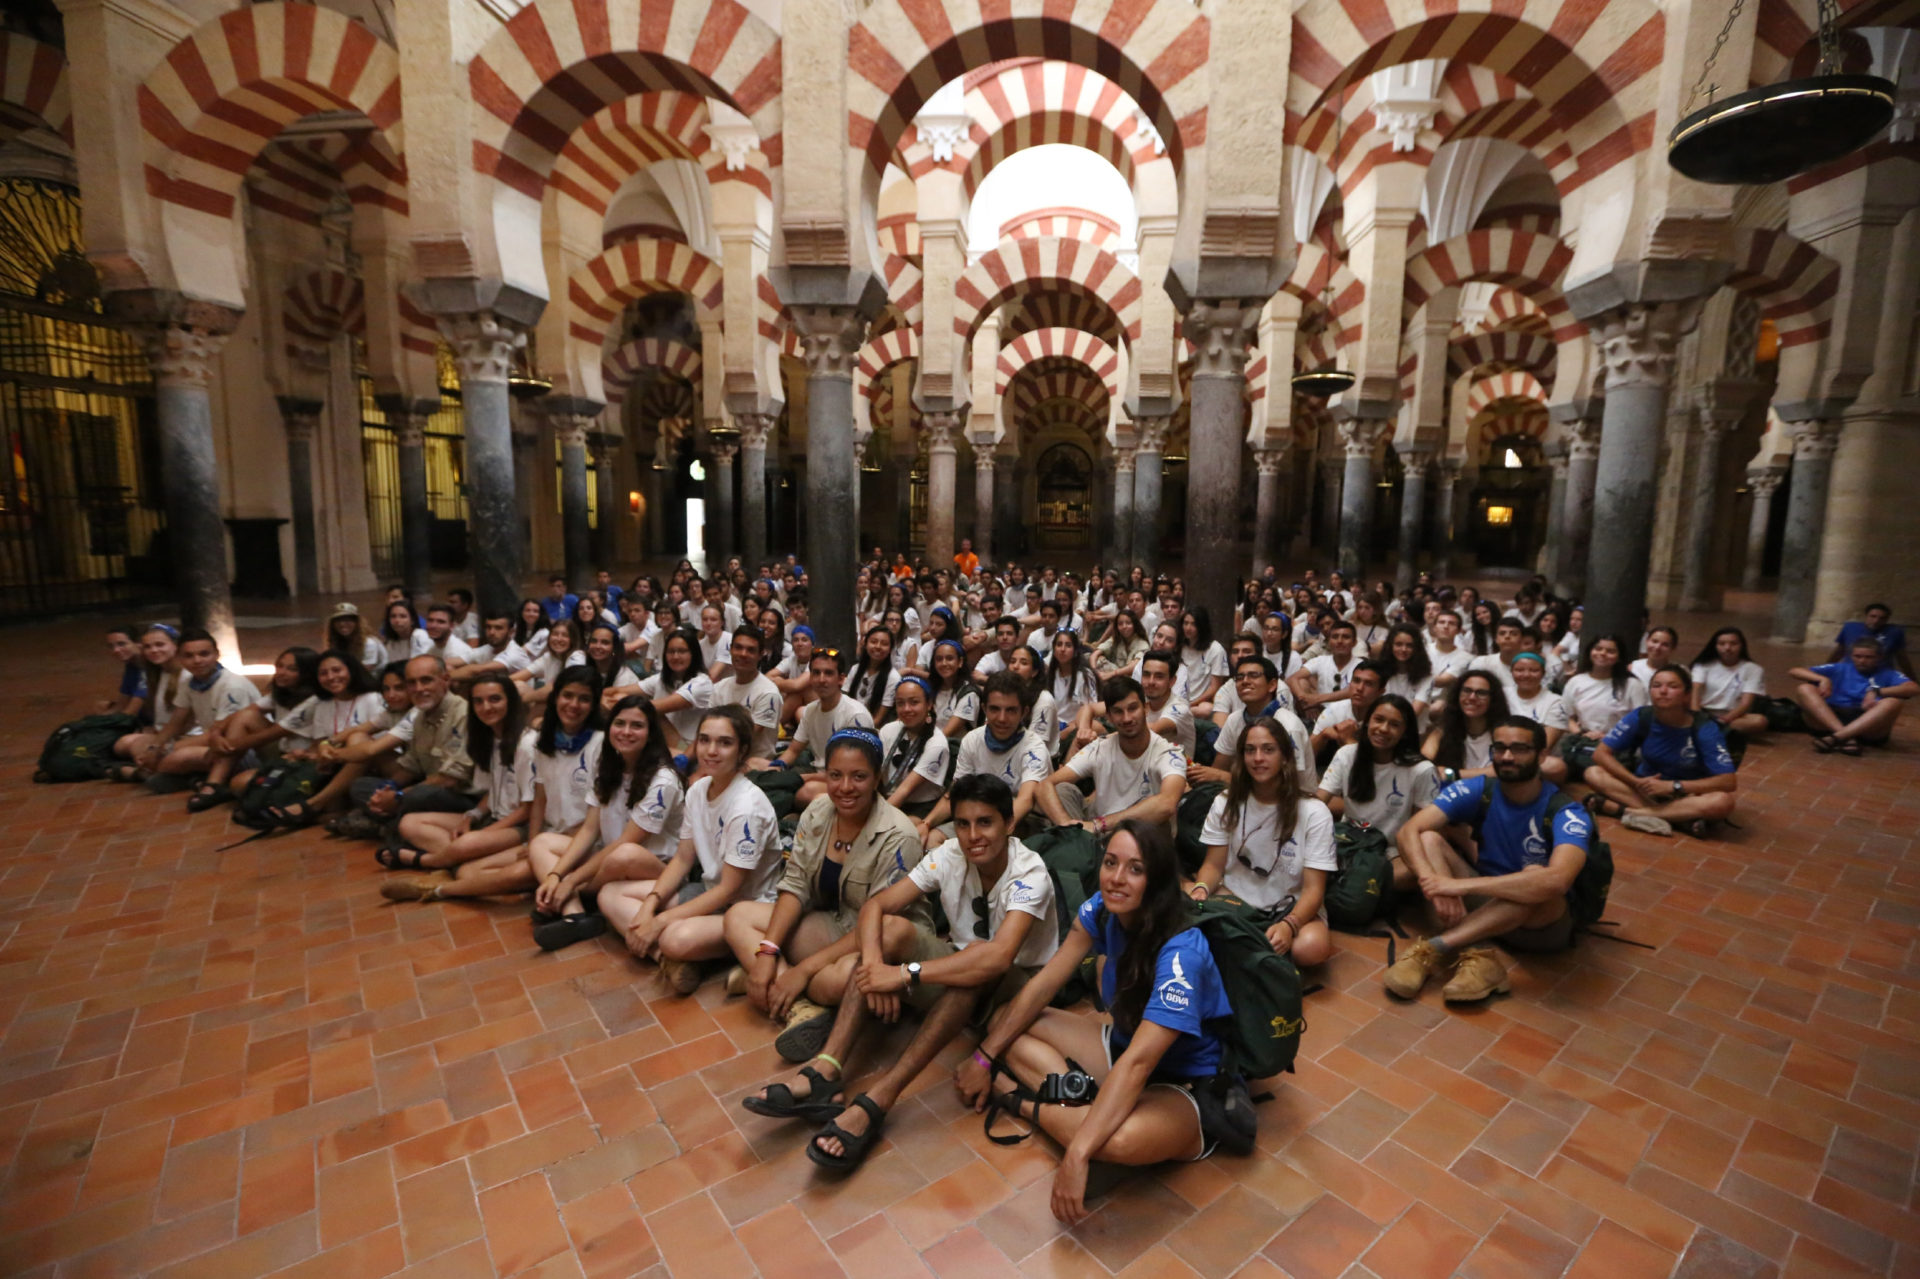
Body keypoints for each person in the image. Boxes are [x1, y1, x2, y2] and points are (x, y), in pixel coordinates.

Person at [744, 774, 1060, 1170]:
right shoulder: (950, 856)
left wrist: (902, 975)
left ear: (1009, 824)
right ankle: (827, 1069)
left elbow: (997, 958)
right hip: (960, 968)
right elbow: (877, 906)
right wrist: (875, 967)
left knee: (974, 963)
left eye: (986, 822)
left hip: (1013, 989)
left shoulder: (1030, 871)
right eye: (962, 823)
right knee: (893, 930)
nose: (973, 835)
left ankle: (880, 1098)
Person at [961, 821, 1251, 1225]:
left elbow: (1140, 1065)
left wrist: (1076, 1157)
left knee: (1119, 1140)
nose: (1117, 878)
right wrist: (982, 1057)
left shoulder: (1182, 952)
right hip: (1122, 1046)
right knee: (1006, 1025)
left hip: (1186, 1083)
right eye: (1111, 862)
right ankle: (1086, 1111)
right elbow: (1045, 984)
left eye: (1135, 869)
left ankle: (1023, 1100)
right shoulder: (1104, 908)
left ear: (1158, 880)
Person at [724, 727, 942, 1063]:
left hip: (878, 943)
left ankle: (780, 982)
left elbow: (880, 922)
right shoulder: (818, 810)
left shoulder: (899, 835)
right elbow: (794, 883)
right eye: (835, 775)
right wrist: (767, 952)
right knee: (738, 917)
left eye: (858, 776)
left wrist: (805, 969)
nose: (844, 787)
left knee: (840, 981)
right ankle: (798, 1004)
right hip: (833, 922)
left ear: (877, 778)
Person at [1384, 717, 1594, 1003]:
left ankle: (1435, 947)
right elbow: (1410, 830)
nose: (1507, 757)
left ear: (1542, 756)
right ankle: (1480, 955)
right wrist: (1430, 881)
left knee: (1535, 875)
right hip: (1486, 902)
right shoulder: (1479, 789)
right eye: (1500, 748)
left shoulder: (1567, 812)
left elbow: (1557, 880)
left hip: (1539, 922)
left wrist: (1458, 887)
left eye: (1519, 749)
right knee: (1429, 838)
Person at [599, 706, 776, 991]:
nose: (711, 750)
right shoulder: (698, 789)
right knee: (609, 894)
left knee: (673, 937)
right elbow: (682, 859)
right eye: (705, 740)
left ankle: (722, 951)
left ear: (743, 751)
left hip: (744, 908)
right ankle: (671, 959)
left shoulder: (746, 808)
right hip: (708, 893)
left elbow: (729, 889)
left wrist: (660, 921)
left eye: (725, 743)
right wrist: (650, 906)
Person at [1194, 719, 1336, 962]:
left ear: (1284, 757)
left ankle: (1263, 945)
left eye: (1268, 749)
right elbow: (1213, 866)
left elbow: (1314, 890)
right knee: (1187, 898)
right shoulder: (1225, 802)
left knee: (1311, 949)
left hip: (1289, 907)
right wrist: (1201, 888)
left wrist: (1290, 925)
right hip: (1235, 899)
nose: (1258, 758)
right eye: (1250, 750)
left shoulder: (1314, 812)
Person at [379, 673, 533, 876]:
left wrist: (485, 835)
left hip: (518, 826)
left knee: (467, 842)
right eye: (479, 701)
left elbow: (527, 809)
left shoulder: (527, 744)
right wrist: (472, 816)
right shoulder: (487, 739)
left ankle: (426, 861)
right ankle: (459, 861)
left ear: (510, 702)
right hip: (492, 817)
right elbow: (493, 791)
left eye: (495, 699)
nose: (486, 707)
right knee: (409, 823)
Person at [329, 655, 475, 840]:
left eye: (426, 680)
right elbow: (411, 765)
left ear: (445, 680)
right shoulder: (420, 716)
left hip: (458, 795)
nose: (419, 689)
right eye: (411, 683)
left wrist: (398, 795)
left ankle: (387, 825)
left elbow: (449, 779)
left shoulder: (463, 714)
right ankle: (391, 825)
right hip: (428, 789)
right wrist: (387, 789)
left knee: (420, 795)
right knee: (361, 786)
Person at [1584, 666, 1739, 838]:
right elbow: (1600, 754)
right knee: (1593, 773)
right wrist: (1636, 781)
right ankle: (1680, 819)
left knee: (1722, 802)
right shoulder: (1641, 716)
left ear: (1687, 695)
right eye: (1657, 686)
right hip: (1644, 790)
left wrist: (1673, 786)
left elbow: (1728, 781)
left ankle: (1625, 811)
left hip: (1686, 794)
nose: (1663, 691)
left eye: (1672, 686)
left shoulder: (1704, 727)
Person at [1317, 694, 1439, 889]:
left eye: (1394, 724)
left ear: (1405, 732)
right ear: (1367, 723)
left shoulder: (1421, 770)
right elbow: (1319, 801)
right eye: (1378, 720)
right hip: (1347, 844)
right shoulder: (1347, 755)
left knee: (1411, 872)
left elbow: (1422, 829)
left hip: (1392, 854)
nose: (1383, 729)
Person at [131, 627, 260, 810]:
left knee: (174, 758)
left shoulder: (232, 686)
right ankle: (194, 779)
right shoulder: (189, 682)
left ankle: (205, 781)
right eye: (189, 656)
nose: (197, 661)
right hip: (212, 743)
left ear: (216, 654)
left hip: (239, 750)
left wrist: (167, 749)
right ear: (180, 658)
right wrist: (154, 747)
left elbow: (222, 733)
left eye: (204, 654)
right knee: (142, 746)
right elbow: (176, 722)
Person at [916, 672, 1052, 844]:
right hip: (978, 815)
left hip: (1022, 821)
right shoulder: (972, 740)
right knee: (933, 839)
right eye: (995, 709)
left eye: (1010, 710)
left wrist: (992, 832)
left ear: (1024, 712)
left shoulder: (1034, 747)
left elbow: (1026, 799)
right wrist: (926, 823)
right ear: (984, 708)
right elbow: (956, 793)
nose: (1002, 718)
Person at [1038, 676, 1186, 833]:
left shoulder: (1169, 753)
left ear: (1146, 709)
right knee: (1063, 789)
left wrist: (1099, 824)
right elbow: (1044, 785)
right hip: (1097, 836)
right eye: (1118, 712)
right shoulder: (1099, 748)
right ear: (1108, 716)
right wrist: (1067, 825)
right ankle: (1073, 841)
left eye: (1132, 708)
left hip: (1140, 841)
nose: (1127, 718)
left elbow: (1167, 804)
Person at [1188, 656, 1314, 790]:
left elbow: (1288, 784)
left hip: (1293, 800)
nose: (1245, 681)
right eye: (1240, 677)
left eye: (1254, 675)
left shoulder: (1288, 725)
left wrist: (1223, 777)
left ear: (1272, 685)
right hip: (1247, 794)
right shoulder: (1234, 719)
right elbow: (1219, 767)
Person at [1789, 636, 1915, 755]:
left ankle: (1838, 737)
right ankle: (1844, 736)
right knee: (1805, 688)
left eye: (1868, 657)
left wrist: (1878, 691)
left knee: (1894, 702)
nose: (1862, 661)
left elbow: (1913, 688)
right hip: (1830, 719)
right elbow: (1795, 671)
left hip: (1867, 723)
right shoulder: (1840, 668)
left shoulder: (1889, 674)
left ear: (1879, 657)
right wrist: (1822, 679)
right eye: (1857, 656)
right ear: (1851, 656)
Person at [876, 675, 950, 819]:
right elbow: (875, 774)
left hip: (919, 808)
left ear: (929, 704)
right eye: (900, 703)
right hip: (887, 797)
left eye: (914, 702)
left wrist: (875, 818)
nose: (906, 709)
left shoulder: (937, 743)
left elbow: (905, 789)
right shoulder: (888, 730)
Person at [1422, 670, 1511, 783]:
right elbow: (1424, 764)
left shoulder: (1506, 732)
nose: (1472, 697)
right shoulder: (1443, 730)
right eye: (1467, 691)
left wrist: (1454, 774)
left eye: (1481, 693)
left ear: (1493, 699)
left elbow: (1500, 770)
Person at [1560, 634, 1648, 742]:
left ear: (1619, 657)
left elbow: (1640, 721)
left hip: (1619, 743)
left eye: (1610, 651)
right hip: (1583, 740)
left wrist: (1610, 737)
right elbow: (1567, 717)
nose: (1602, 653)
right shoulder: (1576, 681)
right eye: (1598, 649)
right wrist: (1581, 734)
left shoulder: (1632, 685)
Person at [639, 628, 714, 752]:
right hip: (663, 744)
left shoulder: (702, 683)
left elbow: (651, 708)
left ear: (693, 654)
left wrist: (621, 704)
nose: (675, 656)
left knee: (651, 712)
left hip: (687, 749)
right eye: (671, 651)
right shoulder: (662, 678)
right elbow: (615, 692)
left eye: (682, 651)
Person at [1689, 627, 1768, 738]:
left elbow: (1746, 703)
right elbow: (1695, 692)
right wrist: (1697, 716)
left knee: (1760, 721)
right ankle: (1715, 730)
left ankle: (1711, 729)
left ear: (1741, 646)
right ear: (1715, 646)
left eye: (1733, 644)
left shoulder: (1753, 669)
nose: (1727, 648)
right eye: (1722, 644)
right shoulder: (1703, 665)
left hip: (1733, 716)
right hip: (1704, 711)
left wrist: (1725, 719)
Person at [1289, 620, 1360, 717]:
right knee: (1302, 682)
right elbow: (1292, 679)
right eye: (1335, 637)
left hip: (1350, 715)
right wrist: (1304, 697)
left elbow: (1354, 690)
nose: (1339, 641)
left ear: (1354, 642)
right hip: (1322, 714)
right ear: (1329, 641)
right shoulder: (1321, 660)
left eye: (1346, 637)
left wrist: (1318, 699)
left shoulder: (1361, 665)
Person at [1829, 602, 1911, 678]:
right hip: (1852, 672)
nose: (1876, 621)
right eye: (1873, 616)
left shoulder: (1894, 632)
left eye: (1882, 618)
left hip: (1881, 673)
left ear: (1887, 619)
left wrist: (1912, 678)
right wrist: (1828, 668)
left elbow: (1902, 657)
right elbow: (1839, 651)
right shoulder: (1850, 628)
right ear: (1866, 616)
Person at [1175, 608, 1230, 717]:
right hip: (1177, 698)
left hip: (1198, 702)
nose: (1188, 628)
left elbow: (1215, 687)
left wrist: (1191, 704)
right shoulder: (1179, 645)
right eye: (1185, 623)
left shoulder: (1215, 649)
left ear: (1202, 626)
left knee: (1206, 709)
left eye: (1193, 624)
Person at [844, 625, 901, 724]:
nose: (878, 646)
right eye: (873, 642)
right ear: (865, 644)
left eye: (884, 644)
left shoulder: (893, 677)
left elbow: (878, 719)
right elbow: (845, 699)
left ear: (890, 649)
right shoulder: (855, 669)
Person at [325, 603, 385, 670]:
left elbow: (365, 671)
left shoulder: (369, 643)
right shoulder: (339, 642)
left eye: (347, 620)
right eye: (338, 621)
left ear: (357, 623)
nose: (342, 624)